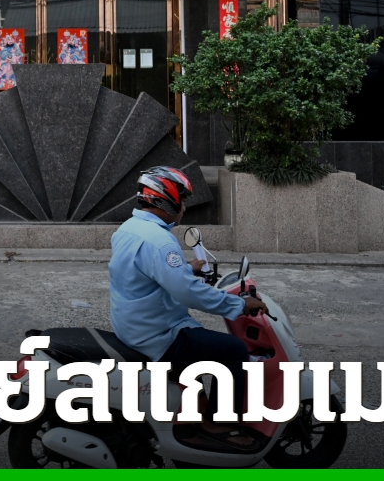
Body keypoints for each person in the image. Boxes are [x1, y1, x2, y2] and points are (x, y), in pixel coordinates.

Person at [108, 166, 269, 451]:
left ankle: (199, 407)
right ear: (165, 200)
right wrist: (239, 304)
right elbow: (189, 293)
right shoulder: (160, 241)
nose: (184, 208)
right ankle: (219, 424)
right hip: (157, 335)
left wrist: (184, 269)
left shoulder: (129, 229)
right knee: (233, 350)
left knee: (201, 340)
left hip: (133, 326)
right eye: (181, 201)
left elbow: (146, 271)